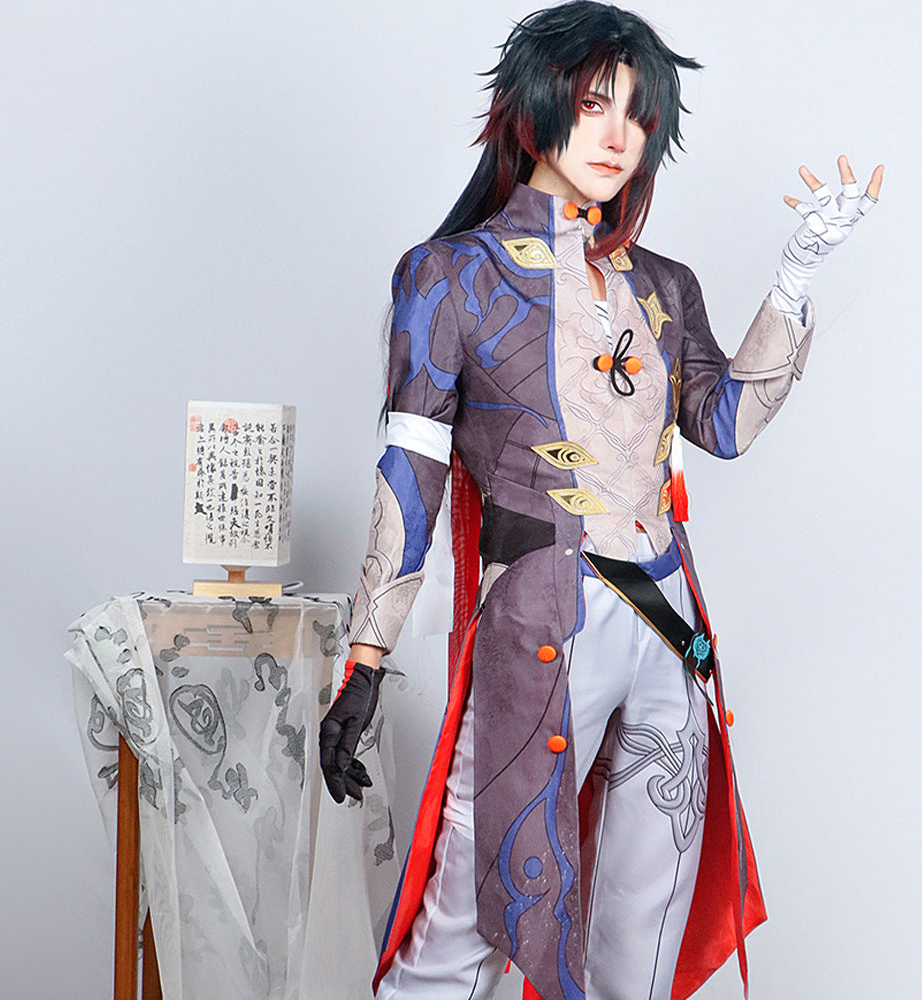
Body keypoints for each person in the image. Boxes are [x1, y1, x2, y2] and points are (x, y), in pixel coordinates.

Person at [319, 4, 882, 999]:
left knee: (639, 941)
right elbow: (410, 474)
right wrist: (363, 663)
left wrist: (794, 280)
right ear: (535, 109)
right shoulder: (449, 278)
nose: (620, 134)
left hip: (671, 633)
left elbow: (724, 425)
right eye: (594, 104)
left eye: (638, 113)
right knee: (465, 927)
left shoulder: (665, 285)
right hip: (538, 629)